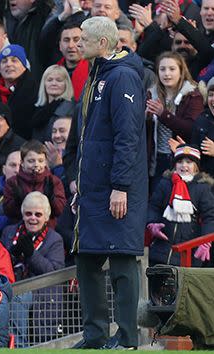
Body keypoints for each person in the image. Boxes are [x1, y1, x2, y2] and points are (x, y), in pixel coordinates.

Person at [73, 17, 147, 350]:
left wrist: (121, 186)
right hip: (93, 189)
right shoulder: (97, 75)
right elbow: (89, 138)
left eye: (83, 39)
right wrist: (79, 184)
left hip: (117, 189)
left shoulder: (123, 77)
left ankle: (128, 337)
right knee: (87, 260)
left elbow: (127, 138)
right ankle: (94, 336)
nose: (77, 44)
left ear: (102, 43)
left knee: (121, 261)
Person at [1, 192, 66, 346]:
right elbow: (0, 265)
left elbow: (54, 272)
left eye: (38, 214)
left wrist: (31, 254)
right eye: (28, 213)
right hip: (14, 291)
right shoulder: (9, 232)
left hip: (42, 299)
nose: (33, 218)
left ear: (46, 217)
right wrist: (13, 253)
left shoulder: (54, 239)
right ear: (23, 214)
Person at [147, 145, 214, 266]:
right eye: (180, 162)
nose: (184, 166)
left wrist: (205, 241)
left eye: (189, 162)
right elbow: (154, 207)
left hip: (188, 252)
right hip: (161, 249)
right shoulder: (165, 184)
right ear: (174, 165)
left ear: (196, 167)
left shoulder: (203, 188)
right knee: (157, 282)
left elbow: (210, 217)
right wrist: (153, 224)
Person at [146, 52, 203, 190]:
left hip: (181, 159)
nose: (167, 73)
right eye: (162, 69)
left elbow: (191, 129)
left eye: (172, 69)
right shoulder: (151, 94)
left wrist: (163, 114)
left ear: (181, 71)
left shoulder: (192, 95)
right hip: (155, 158)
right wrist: (145, 118)